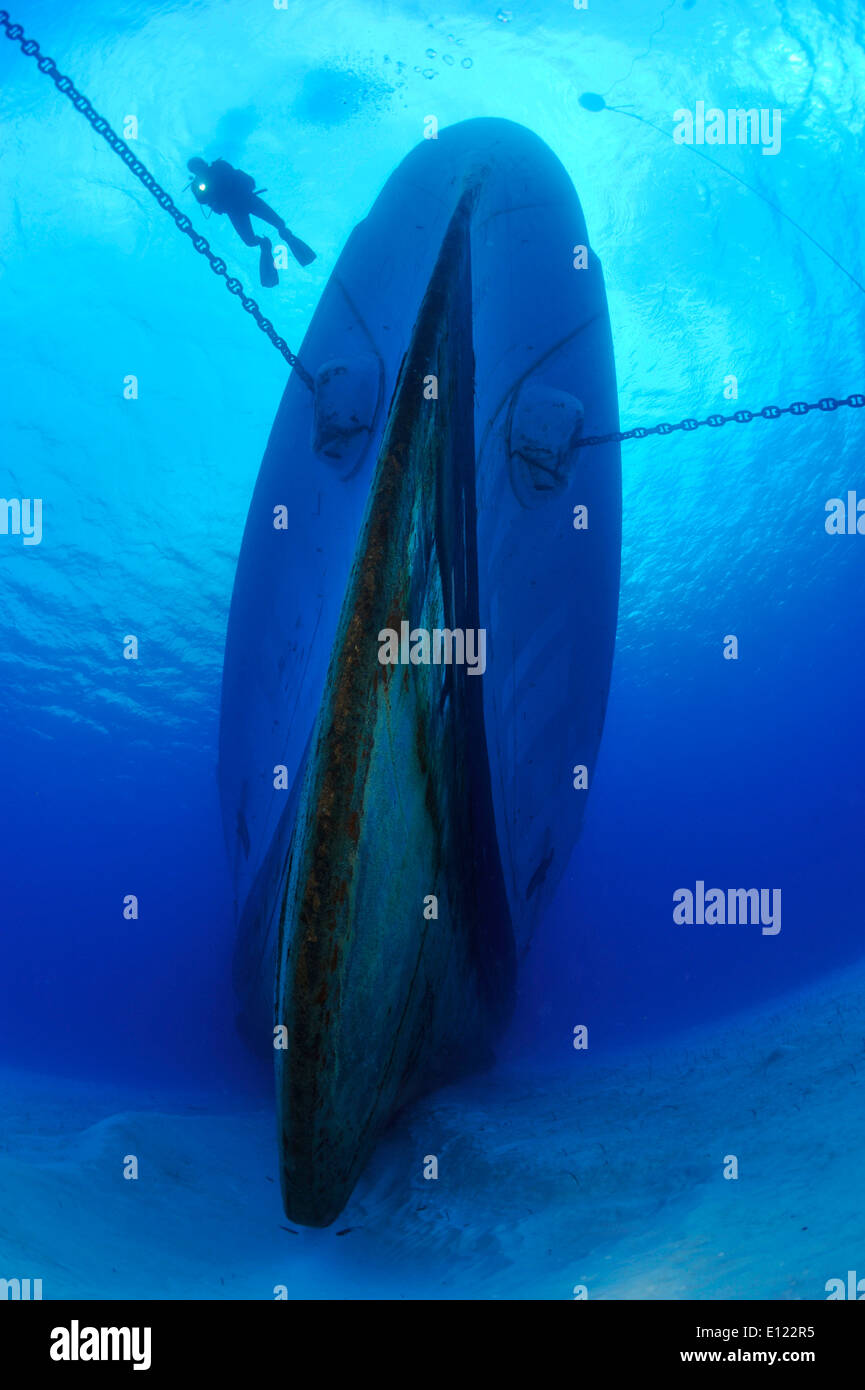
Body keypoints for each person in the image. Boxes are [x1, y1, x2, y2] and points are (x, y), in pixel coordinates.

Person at [186, 156, 315, 287]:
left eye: (198, 165)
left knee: (279, 223)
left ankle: (287, 237)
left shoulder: (218, 166)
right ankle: (265, 245)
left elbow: (232, 173)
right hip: (235, 210)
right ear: (193, 171)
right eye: (194, 168)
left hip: (247, 199)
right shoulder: (197, 184)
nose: (198, 169)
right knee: (250, 241)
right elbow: (202, 200)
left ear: (203, 163)